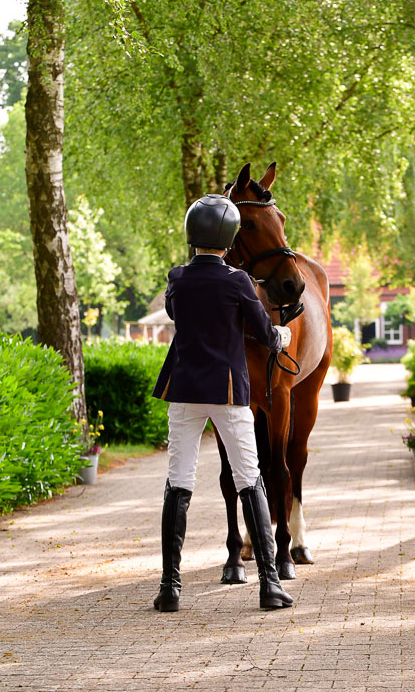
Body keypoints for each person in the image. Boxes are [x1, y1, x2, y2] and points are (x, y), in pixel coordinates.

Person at [152, 193, 293, 612]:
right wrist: (281, 336)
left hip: (183, 391)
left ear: (191, 234)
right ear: (231, 238)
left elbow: (177, 314)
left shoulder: (177, 278)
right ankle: (270, 584)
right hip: (228, 393)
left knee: (178, 482)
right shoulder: (237, 281)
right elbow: (265, 333)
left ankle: (169, 588)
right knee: (250, 478)